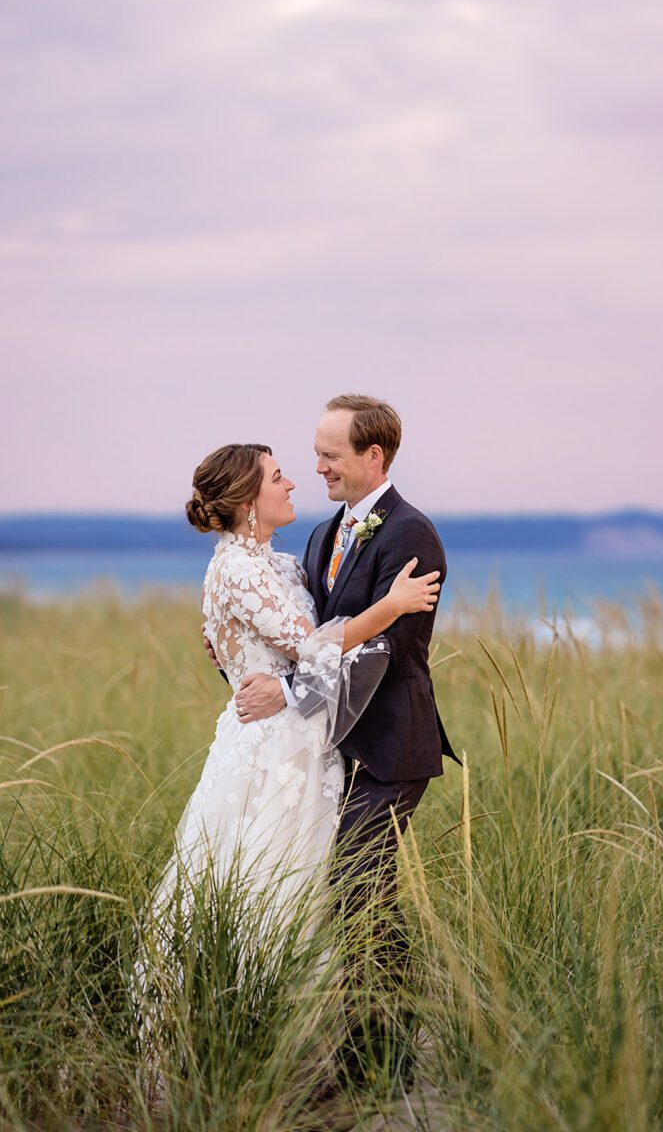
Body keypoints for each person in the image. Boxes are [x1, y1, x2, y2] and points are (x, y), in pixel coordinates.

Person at [226, 395, 459, 1086]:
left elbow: (381, 649)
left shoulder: (411, 535)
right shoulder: (325, 534)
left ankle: (378, 1065)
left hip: (390, 747)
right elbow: (305, 632)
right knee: (357, 894)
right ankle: (371, 1054)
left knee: (359, 887)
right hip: (333, 748)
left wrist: (291, 692)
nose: (317, 466)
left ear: (373, 457)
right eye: (317, 452)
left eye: (331, 454)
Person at [149, 441, 439, 956]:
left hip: (307, 735)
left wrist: (233, 646)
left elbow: (295, 632)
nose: (292, 483)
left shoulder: (281, 564)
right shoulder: (237, 570)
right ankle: (251, 1006)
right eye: (278, 477)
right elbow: (313, 647)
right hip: (274, 745)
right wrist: (391, 606)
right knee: (269, 878)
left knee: (314, 882)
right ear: (246, 502)